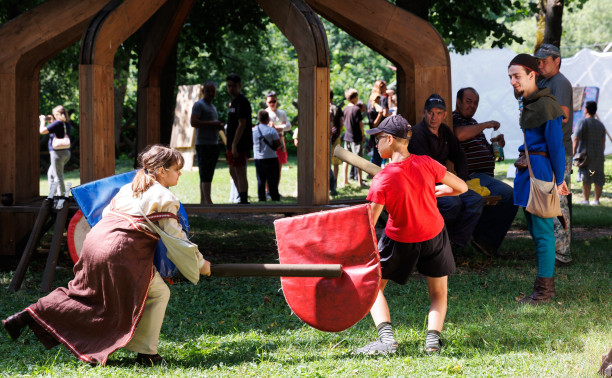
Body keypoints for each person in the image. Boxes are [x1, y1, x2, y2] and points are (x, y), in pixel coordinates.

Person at [2, 145, 212, 365]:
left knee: (84, 293)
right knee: (158, 293)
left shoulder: (129, 188)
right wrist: (200, 264)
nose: (180, 173)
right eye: (177, 168)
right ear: (161, 170)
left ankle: (31, 313)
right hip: (121, 250)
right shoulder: (164, 196)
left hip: (95, 243)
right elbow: (177, 240)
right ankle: (146, 354)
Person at [355, 115, 467, 355]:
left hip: (400, 239)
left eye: (378, 139)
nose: (376, 145)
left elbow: (369, 223)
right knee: (438, 293)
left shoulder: (382, 179)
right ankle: (432, 344)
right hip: (434, 234)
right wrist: (436, 192)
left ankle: (387, 341)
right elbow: (461, 187)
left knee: (373, 287)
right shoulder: (428, 163)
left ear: (390, 140)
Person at [508, 54, 569, 305]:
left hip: (541, 173)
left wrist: (559, 179)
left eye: (517, 76)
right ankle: (543, 286)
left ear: (532, 74)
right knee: (534, 229)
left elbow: (556, 145)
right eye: (510, 77)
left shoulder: (547, 104)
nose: (512, 81)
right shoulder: (527, 100)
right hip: (527, 171)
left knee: (544, 233)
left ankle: (544, 291)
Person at [409, 94, 484, 252]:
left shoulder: (444, 131)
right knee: (452, 204)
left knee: (475, 200)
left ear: (444, 115)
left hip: (444, 183)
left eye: (438, 113)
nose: (434, 117)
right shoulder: (417, 134)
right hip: (424, 187)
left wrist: (462, 180)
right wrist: (451, 183)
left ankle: (455, 244)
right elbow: (427, 167)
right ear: (424, 113)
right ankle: (434, 245)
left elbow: (459, 155)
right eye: (430, 112)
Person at [453, 87, 518, 255]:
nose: (472, 106)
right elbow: (459, 135)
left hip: (484, 176)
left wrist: (495, 147)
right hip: (471, 177)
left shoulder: (473, 124)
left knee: (508, 196)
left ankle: (484, 239)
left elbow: (488, 153)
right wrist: (486, 125)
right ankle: (485, 239)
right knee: (509, 194)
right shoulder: (453, 120)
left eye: (475, 103)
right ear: (458, 101)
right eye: (468, 102)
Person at [534, 43, 573, 265]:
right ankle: (553, 249)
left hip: (559, 151)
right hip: (546, 150)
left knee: (559, 200)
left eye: (544, 61)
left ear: (557, 60)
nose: (540, 64)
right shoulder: (544, 82)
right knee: (549, 200)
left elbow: (564, 116)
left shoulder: (560, 83)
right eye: (538, 61)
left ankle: (562, 253)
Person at [190, 81, 224, 204]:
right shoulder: (199, 105)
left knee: (208, 172)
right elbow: (193, 122)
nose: (210, 93)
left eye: (212, 91)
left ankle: (203, 201)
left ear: (215, 93)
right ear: (203, 91)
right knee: (205, 173)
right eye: (208, 91)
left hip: (213, 143)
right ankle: (208, 201)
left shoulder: (213, 107)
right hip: (203, 144)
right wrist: (213, 123)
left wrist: (218, 125)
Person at [226, 74, 253, 204]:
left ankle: (243, 200)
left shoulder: (242, 102)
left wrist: (234, 144)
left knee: (240, 171)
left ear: (240, 86)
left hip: (239, 144)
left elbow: (242, 124)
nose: (231, 88)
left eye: (234, 86)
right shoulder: (234, 102)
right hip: (231, 143)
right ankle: (241, 196)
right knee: (232, 170)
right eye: (229, 86)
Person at [573, 101, 606, 205]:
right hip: (599, 156)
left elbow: (576, 138)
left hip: (586, 156)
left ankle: (586, 200)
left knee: (586, 177)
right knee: (598, 177)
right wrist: (600, 152)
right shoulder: (600, 125)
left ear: (586, 110)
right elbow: (603, 141)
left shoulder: (582, 122)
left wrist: (574, 152)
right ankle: (596, 200)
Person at [39, 105, 72, 196]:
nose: (55, 116)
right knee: (51, 174)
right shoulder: (66, 123)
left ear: (60, 114)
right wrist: (52, 121)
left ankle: (62, 199)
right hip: (66, 152)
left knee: (58, 176)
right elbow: (59, 132)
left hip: (57, 153)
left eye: (56, 114)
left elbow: (42, 131)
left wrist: (42, 121)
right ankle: (53, 196)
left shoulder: (58, 123)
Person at [265, 91, 291, 191]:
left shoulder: (281, 113)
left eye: (274, 101)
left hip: (280, 142)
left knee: (278, 168)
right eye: (270, 101)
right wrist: (281, 126)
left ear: (277, 101)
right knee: (268, 168)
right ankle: (267, 190)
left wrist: (276, 127)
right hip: (269, 143)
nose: (272, 103)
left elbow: (288, 126)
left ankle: (275, 189)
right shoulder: (265, 113)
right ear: (266, 102)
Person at [252, 110, 281, 202]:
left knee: (261, 180)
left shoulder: (253, 130)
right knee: (273, 179)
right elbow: (277, 144)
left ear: (259, 119)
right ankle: (274, 197)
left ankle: (261, 198)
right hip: (271, 157)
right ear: (268, 119)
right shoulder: (271, 130)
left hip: (258, 158)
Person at [342, 88, 365, 186]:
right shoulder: (356, 109)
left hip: (347, 137)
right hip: (356, 137)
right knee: (358, 160)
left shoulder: (345, 109)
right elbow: (360, 124)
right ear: (355, 97)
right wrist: (363, 134)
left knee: (346, 160)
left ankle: (345, 180)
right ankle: (360, 181)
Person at [367, 80, 389, 167]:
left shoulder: (371, 99)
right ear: (381, 88)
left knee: (375, 152)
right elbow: (385, 114)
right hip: (380, 130)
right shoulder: (382, 98)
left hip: (373, 131)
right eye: (385, 87)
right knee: (379, 154)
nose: (386, 89)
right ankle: (376, 173)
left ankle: (372, 171)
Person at [330, 90, 344, 183]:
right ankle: (334, 182)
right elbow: (341, 123)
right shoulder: (337, 108)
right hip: (336, 135)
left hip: (324, 136)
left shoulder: (321, 107)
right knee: (336, 161)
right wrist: (339, 132)